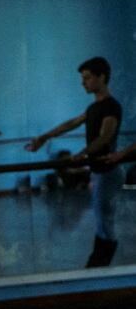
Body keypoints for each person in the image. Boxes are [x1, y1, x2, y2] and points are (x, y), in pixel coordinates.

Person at [26, 56, 123, 267]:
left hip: (108, 171)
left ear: (102, 77)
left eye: (87, 78)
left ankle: (99, 265)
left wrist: (83, 154)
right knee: (101, 219)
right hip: (99, 171)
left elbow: (105, 137)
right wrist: (44, 137)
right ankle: (97, 265)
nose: (83, 82)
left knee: (105, 221)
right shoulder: (93, 108)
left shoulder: (111, 107)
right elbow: (70, 124)